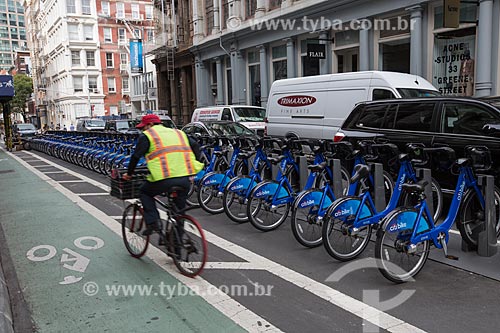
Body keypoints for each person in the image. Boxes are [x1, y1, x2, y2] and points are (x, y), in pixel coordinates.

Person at [122, 114, 203, 237]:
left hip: (163, 178)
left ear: (149, 125)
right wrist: (194, 164)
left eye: (143, 127)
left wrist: (129, 174)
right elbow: (196, 146)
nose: (143, 130)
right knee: (179, 213)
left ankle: (153, 222)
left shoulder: (148, 135)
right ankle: (177, 247)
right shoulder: (178, 133)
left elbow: (136, 157)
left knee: (145, 192)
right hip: (184, 179)